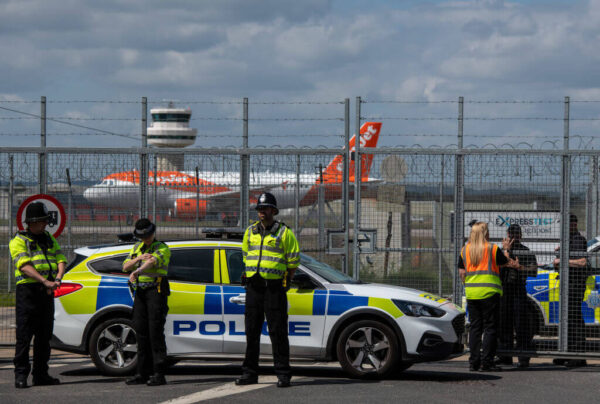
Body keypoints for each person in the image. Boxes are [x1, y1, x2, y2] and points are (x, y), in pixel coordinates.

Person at [235, 192, 300, 388]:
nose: (261, 212)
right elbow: (246, 255)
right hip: (254, 287)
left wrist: (287, 280)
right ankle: (249, 373)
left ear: (273, 210)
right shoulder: (250, 232)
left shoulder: (284, 233)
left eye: (265, 209)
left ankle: (283, 373)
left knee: (278, 332)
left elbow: (293, 260)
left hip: (274, 288)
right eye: (259, 209)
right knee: (251, 332)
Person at [9, 202, 66, 388]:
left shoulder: (49, 238)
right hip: (28, 293)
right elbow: (24, 266)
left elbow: (60, 258)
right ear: (31, 222)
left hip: (47, 293)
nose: (45, 225)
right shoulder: (18, 241)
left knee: (44, 337)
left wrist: (57, 279)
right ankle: (21, 375)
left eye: (45, 221)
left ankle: (41, 374)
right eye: (42, 221)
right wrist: (44, 281)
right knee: (24, 336)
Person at [459, 222, 519, 372]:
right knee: (490, 328)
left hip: (472, 294)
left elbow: (462, 273)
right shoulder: (492, 248)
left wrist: (469, 284)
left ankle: (473, 362)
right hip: (490, 293)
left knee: (475, 328)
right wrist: (506, 250)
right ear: (485, 233)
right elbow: (505, 262)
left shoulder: (465, 250)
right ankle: (487, 362)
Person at [122, 218, 171, 386]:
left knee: (155, 332)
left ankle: (159, 373)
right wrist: (137, 259)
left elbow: (152, 262)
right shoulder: (137, 248)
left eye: (148, 235)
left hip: (156, 291)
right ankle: (142, 373)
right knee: (141, 332)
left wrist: (138, 270)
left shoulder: (161, 247)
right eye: (143, 236)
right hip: (141, 293)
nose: (146, 239)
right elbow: (125, 266)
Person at [497, 224, 538, 369]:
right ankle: (504, 355)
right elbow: (496, 268)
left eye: (516, 234)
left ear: (521, 235)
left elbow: (533, 271)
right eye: (512, 235)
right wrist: (507, 252)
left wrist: (520, 267)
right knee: (504, 323)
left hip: (519, 290)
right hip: (505, 291)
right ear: (507, 235)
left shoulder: (525, 251)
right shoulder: (501, 251)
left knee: (521, 324)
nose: (514, 237)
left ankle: (523, 358)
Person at [553, 214, 588, 367]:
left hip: (575, 284)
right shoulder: (566, 241)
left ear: (573, 224)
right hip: (566, 284)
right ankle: (565, 352)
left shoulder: (578, 240)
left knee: (574, 319)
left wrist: (562, 261)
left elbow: (582, 262)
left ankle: (578, 355)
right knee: (565, 319)